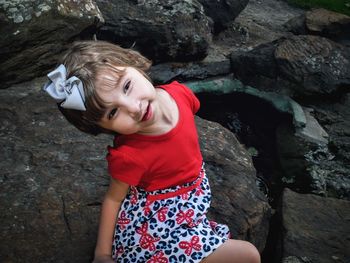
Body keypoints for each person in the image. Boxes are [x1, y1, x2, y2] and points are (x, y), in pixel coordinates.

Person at [43, 40, 261, 263]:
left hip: (190, 197)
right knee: (249, 255)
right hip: (159, 218)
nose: (133, 108)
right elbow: (113, 199)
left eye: (126, 86)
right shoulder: (130, 156)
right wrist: (102, 254)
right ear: (103, 128)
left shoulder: (181, 94)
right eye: (113, 113)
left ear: (133, 64)